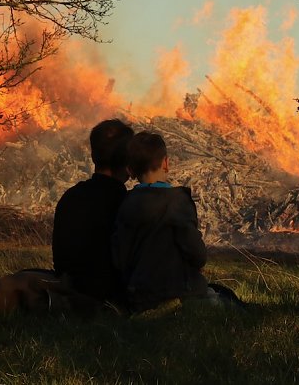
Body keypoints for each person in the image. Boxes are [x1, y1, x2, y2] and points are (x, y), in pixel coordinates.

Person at [112, 131, 209, 312]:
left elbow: (119, 257)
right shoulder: (177, 202)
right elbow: (198, 254)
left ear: (130, 170)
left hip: (139, 298)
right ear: (166, 163)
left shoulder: (126, 203)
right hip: (180, 293)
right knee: (225, 300)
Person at [52, 119, 134, 304]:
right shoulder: (128, 205)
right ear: (128, 162)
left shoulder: (70, 197)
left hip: (71, 287)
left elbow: (61, 262)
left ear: (93, 156)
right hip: (111, 295)